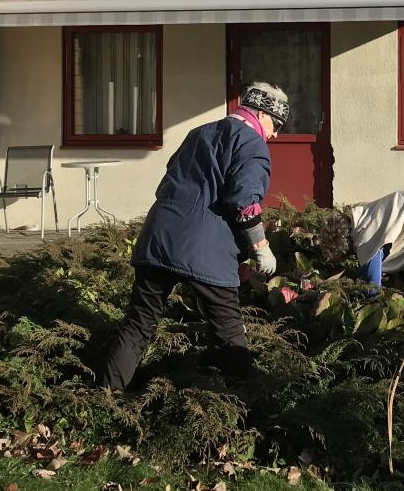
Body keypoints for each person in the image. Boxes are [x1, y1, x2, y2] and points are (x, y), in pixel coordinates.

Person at [98, 82, 289, 390]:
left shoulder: (200, 132)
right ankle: (244, 407)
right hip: (205, 250)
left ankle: (104, 400)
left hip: (158, 238)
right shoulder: (253, 144)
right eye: (276, 124)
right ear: (261, 114)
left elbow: (172, 180)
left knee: (138, 324)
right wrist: (260, 247)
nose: (276, 133)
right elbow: (245, 205)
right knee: (228, 332)